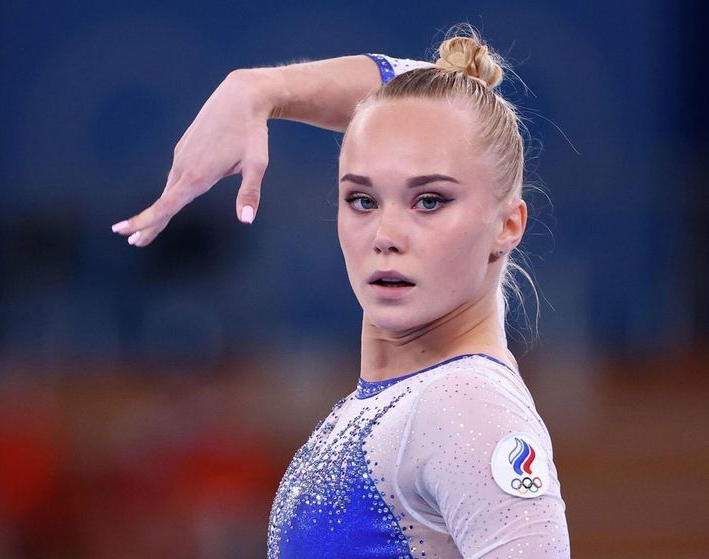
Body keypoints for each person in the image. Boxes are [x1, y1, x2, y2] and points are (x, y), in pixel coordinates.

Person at [111, 25, 570, 559]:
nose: (385, 236)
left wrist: (269, 89)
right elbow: (428, 97)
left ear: (508, 225)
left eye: (429, 201)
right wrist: (257, 90)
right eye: (362, 200)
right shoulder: (397, 403)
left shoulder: (465, 406)